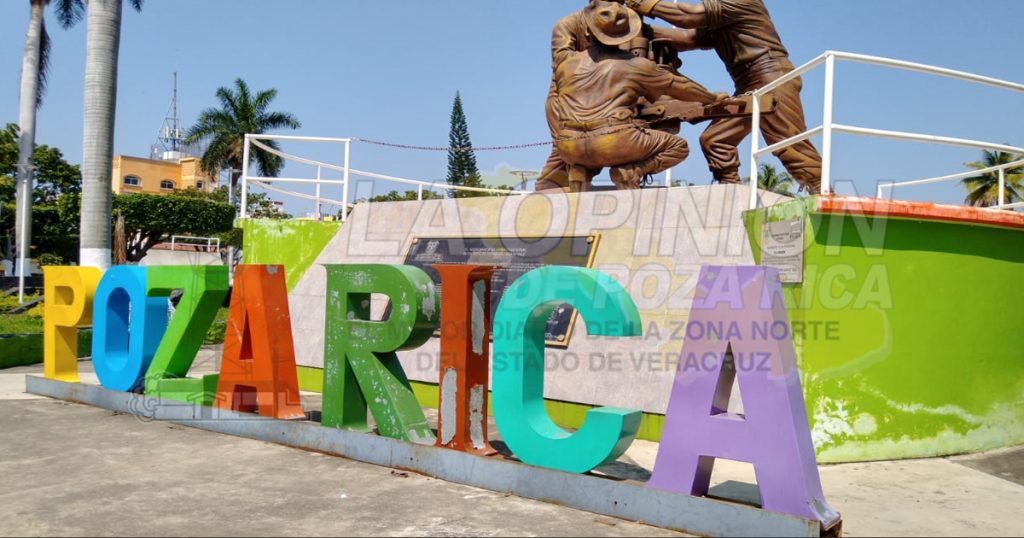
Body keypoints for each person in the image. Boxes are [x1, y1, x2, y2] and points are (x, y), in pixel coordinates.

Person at [627, 0, 823, 191]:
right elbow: (688, 38)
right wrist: (636, 29)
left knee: (788, 142)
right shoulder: (720, 17)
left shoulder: (740, 2)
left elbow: (689, 16)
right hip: (747, 84)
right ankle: (731, 189)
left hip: (772, 76)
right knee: (716, 139)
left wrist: (645, 4)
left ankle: (821, 190)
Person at [552, 1, 726, 191]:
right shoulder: (635, 66)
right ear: (627, 34)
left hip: (568, 146)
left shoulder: (565, 66)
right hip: (612, 143)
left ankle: (580, 170)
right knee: (678, 147)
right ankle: (630, 172)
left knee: (584, 145)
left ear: (587, 31)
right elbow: (681, 87)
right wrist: (713, 99)